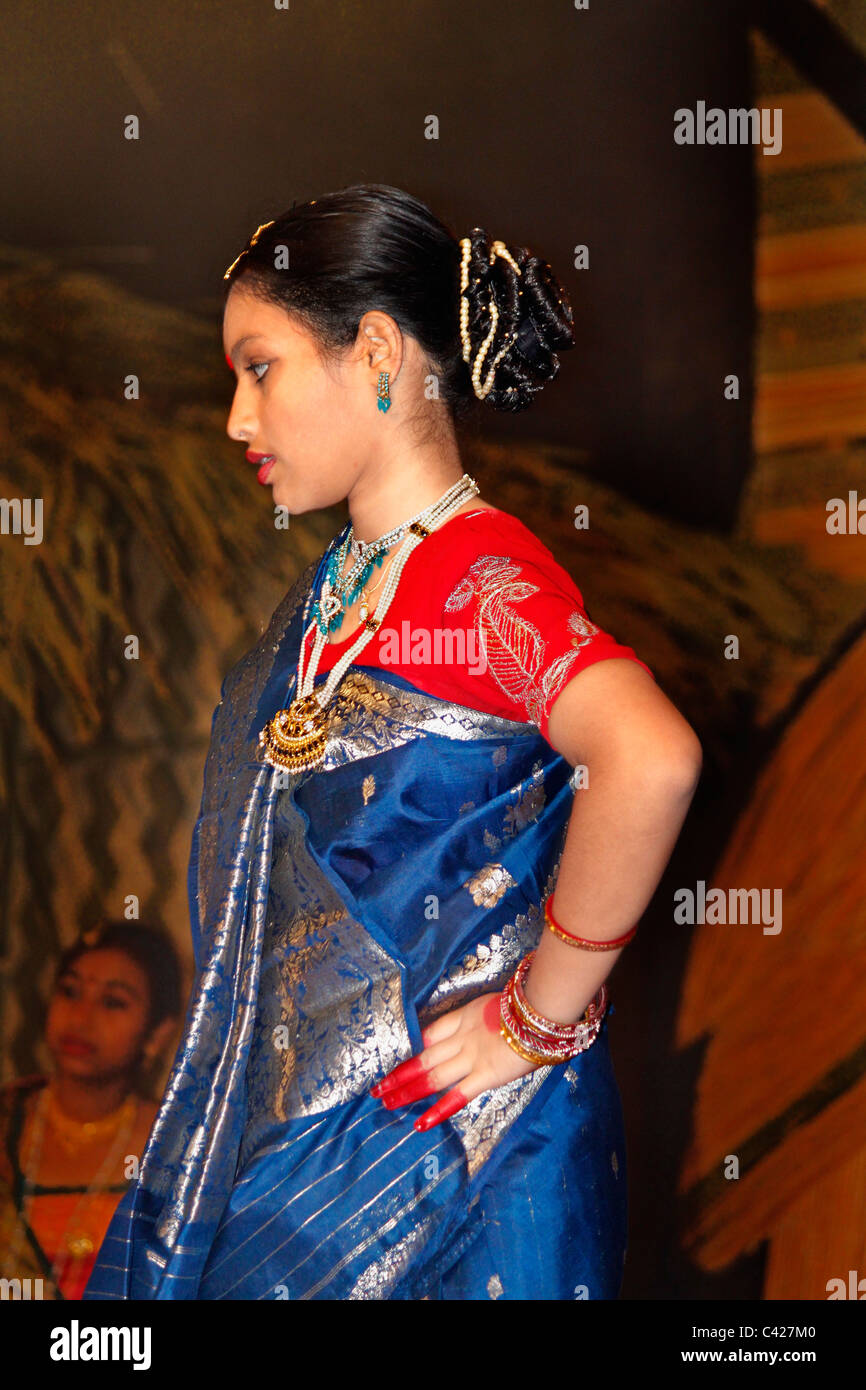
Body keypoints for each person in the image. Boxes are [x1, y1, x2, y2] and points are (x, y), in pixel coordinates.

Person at [84, 183, 701, 1301]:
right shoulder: (339, 591)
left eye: (259, 366)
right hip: (325, 1141)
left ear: (373, 350)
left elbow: (649, 755)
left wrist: (538, 1016)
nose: (236, 418)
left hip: (464, 1162)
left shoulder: (474, 575)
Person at [0, 919, 182, 1299]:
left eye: (113, 1002)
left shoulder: (174, 1148)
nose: (80, 1018)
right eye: (69, 991)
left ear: (157, 1034)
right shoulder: (7, 1123)